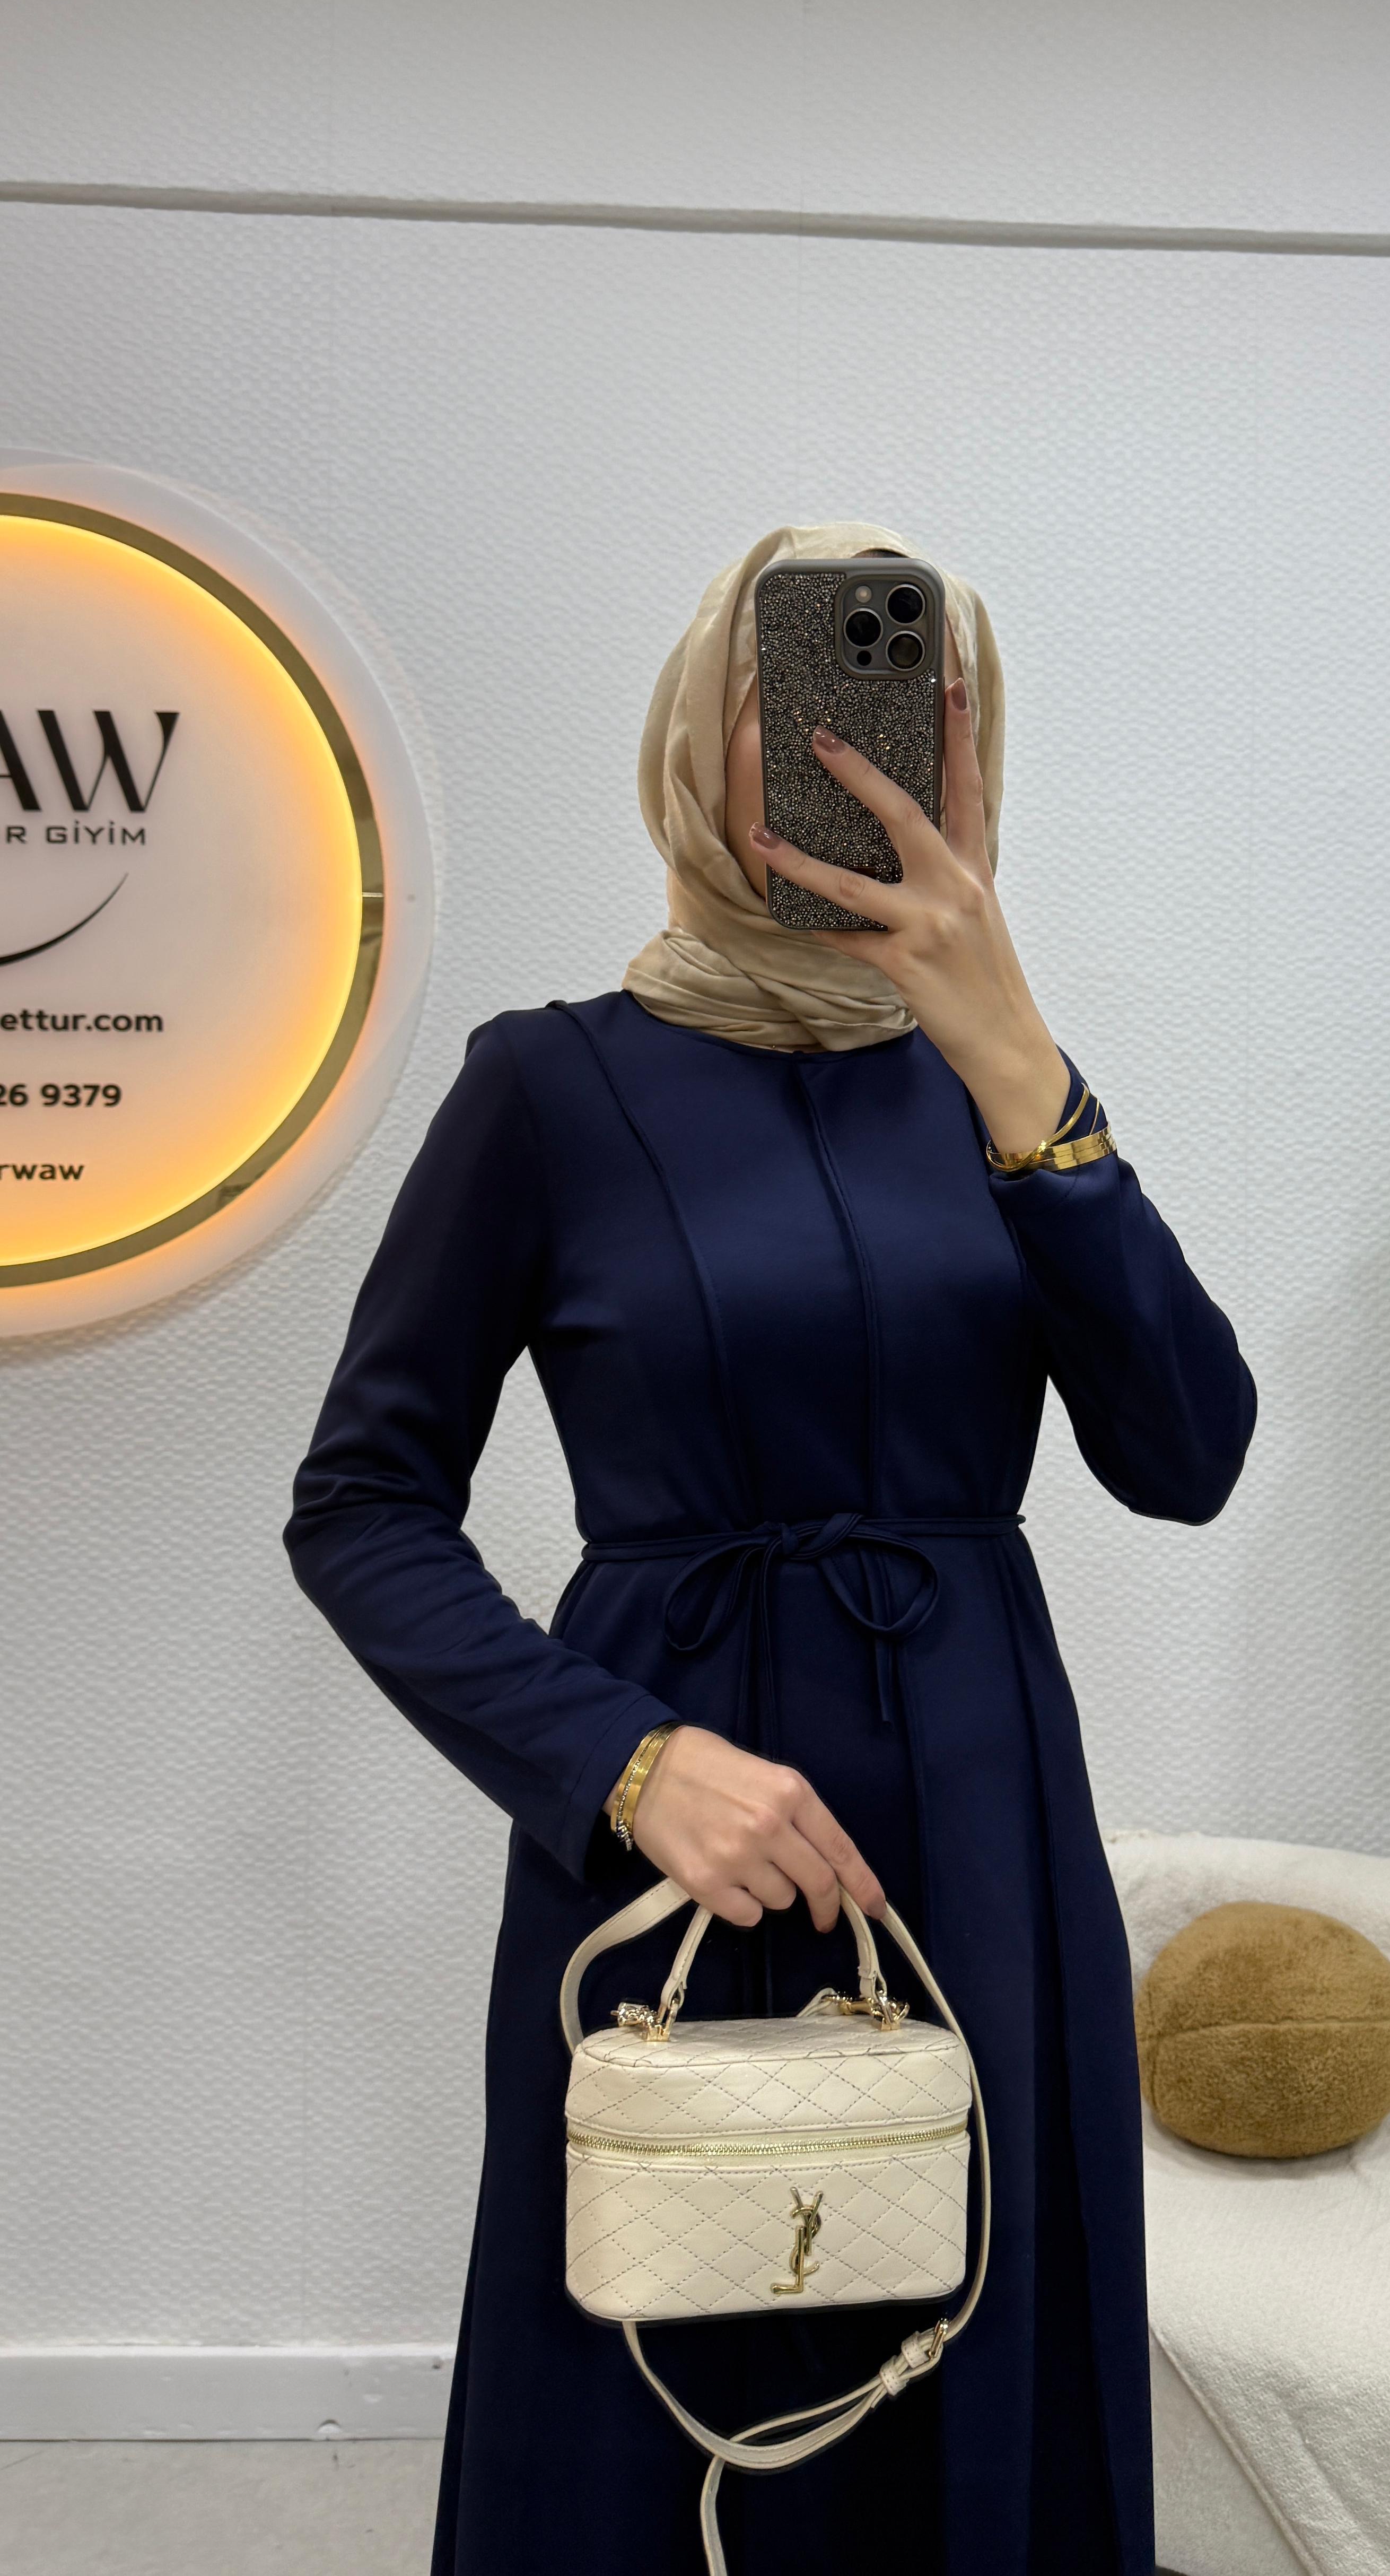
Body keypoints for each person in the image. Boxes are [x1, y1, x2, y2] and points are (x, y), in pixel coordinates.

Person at [285, 519, 1256, 2574]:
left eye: (928, 696)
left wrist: (1022, 1068)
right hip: (676, 1819)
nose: (872, 743)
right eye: (802, 689)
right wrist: (621, 1761)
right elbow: (361, 1502)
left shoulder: (1004, 1092)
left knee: (979, 2345)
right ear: (700, 730)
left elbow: (1189, 1457)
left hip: (982, 1831)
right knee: (657, 2368)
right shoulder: (548, 1088)